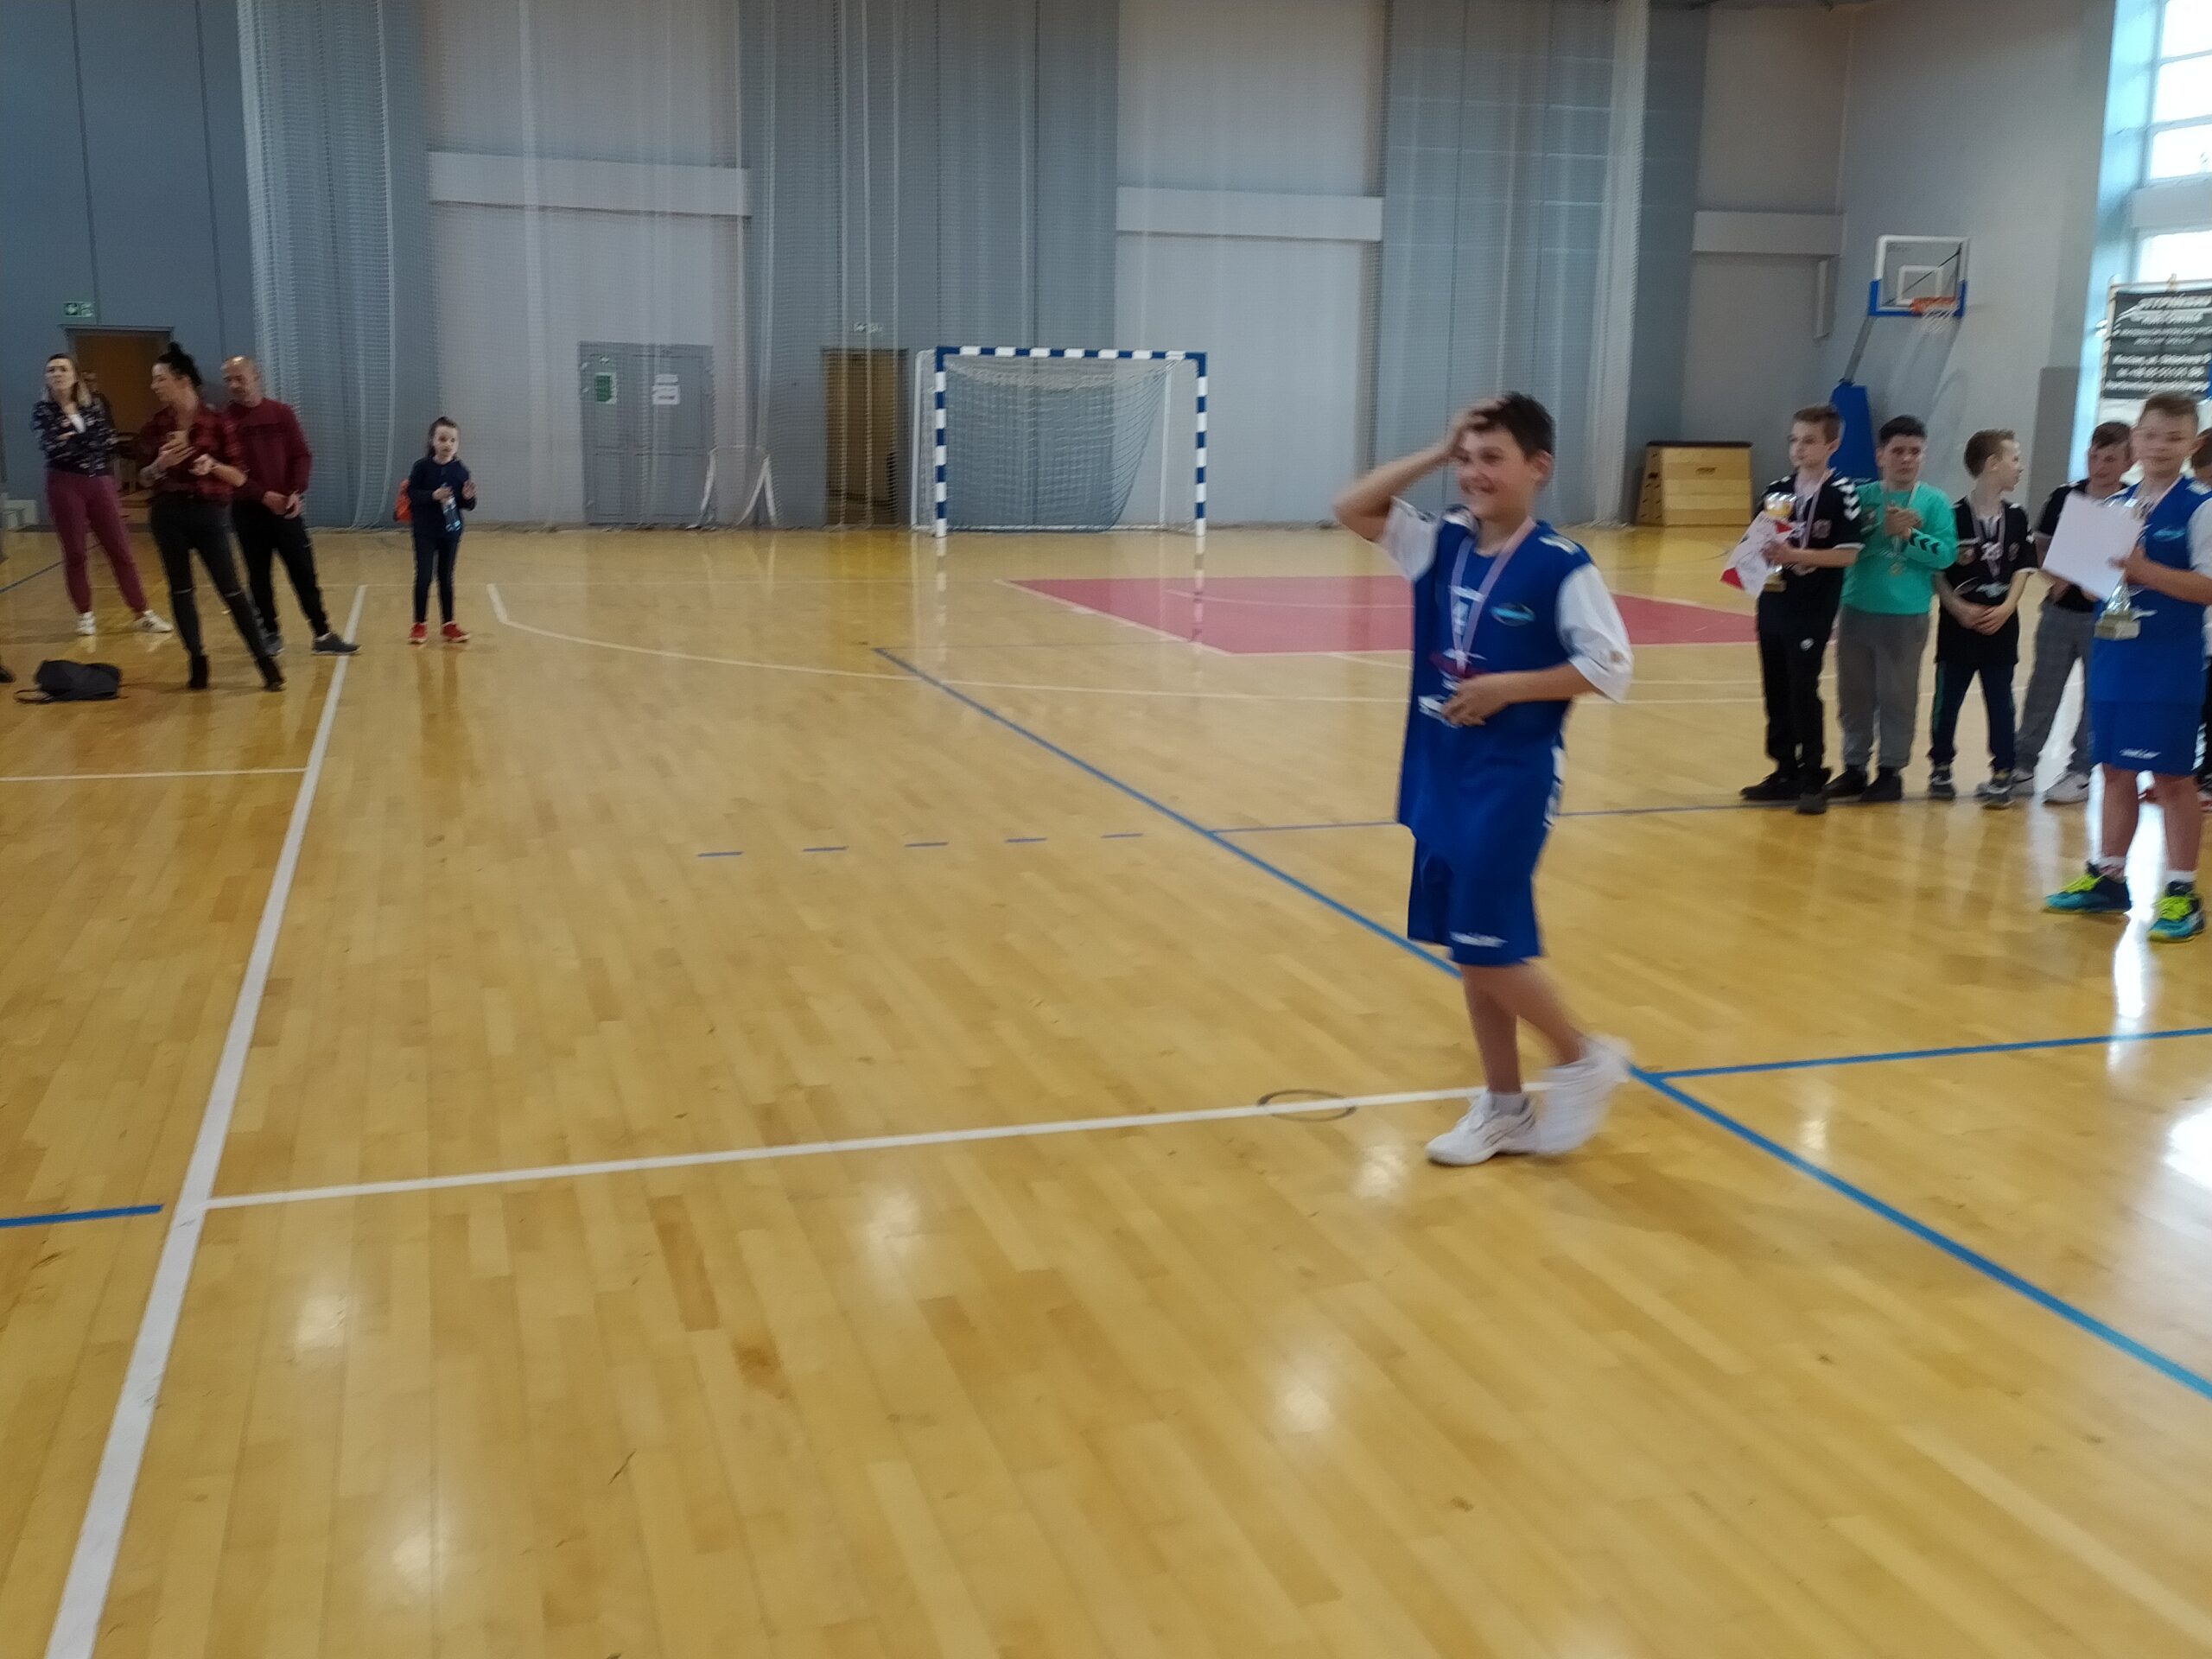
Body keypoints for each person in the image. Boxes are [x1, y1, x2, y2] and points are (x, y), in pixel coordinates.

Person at [1334, 393, 1633, 1167]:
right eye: (1465, 460)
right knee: (1470, 948)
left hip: (1511, 780)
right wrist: (1439, 448)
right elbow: (1352, 507)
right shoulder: (1440, 544)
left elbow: (1611, 667)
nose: (1473, 473)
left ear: (1539, 467)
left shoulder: (1560, 564)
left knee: (1486, 946)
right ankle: (1504, 1108)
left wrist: (1510, 688)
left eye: (1491, 458)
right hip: (1441, 772)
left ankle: (1581, 1058)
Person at [2046, 390, 2212, 943]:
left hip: (2170, 662)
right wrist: (2078, 570)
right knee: (2114, 769)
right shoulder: (2110, 508)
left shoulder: (2202, 506)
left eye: (2174, 437)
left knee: (2172, 778)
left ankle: (2182, 891)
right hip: (2115, 656)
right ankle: (2110, 877)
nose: (2160, 446)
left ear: (2192, 443)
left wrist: (2142, 570)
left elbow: (2208, 587)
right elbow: (2081, 584)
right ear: (2135, 439)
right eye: (2151, 435)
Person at [1739, 404, 1867, 815]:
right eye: (1794, 440)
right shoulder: (1777, 491)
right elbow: (1757, 540)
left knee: (1802, 688)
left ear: (1832, 445)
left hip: (1812, 607)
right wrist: (1747, 558)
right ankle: (1784, 770)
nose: (1798, 448)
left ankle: (1813, 775)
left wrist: (1797, 554)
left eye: (1809, 441)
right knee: (1775, 686)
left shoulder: (1842, 493)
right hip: (1773, 600)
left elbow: (1848, 555)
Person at [1827, 416, 1957, 804]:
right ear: (1880, 455)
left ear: (1924, 456)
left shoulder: (1934, 502)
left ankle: (1890, 771)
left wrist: (1909, 535)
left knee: (1897, 696)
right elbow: (1843, 547)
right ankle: (1854, 767)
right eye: (1898, 451)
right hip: (1857, 607)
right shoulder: (1860, 496)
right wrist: (1880, 530)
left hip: (1906, 614)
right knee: (1854, 695)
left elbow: (1946, 555)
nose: (1906, 459)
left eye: (1915, 452)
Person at [137, 346, 283, 692]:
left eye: (160, 379)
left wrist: (212, 465)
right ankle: (197, 659)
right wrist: (159, 465)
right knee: (181, 590)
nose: (155, 386)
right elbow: (142, 478)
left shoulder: (218, 422)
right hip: (168, 515)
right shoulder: (155, 425)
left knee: (231, 589)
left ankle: (264, 660)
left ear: (183, 381)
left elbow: (240, 476)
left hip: (208, 513)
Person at [2020, 422, 2132, 805]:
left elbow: (2132, 563)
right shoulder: (2064, 496)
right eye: (2094, 456)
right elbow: (2041, 546)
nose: (2100, 466)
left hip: (2105, 615)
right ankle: (2022, 764)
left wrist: (2097, 581)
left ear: (2128, 462)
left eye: (2110, 459)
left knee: (2095, 696)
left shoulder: (2132, 504)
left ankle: (2081, 770)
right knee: (2042, 688)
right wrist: (2056, 575)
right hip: (2059, 609)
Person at [219, 355, 355, 657]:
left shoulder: (282, 413)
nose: (234, 385)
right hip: (248, 512)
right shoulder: (224, 421)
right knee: (259, 577)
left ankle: (322, 634)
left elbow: (301, 454)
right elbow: (228, 471)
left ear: (256, 376)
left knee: (303, 572)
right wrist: (262, 495)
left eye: (239, 378)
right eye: (228, 380)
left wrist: (295, 491)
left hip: (286, 509)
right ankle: (270, 633)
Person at [1929, 429, 2035, 805]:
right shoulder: (1951, 516)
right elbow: (1937, 571)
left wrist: (2007, 608)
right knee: (1948, 700)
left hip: (2001, 627)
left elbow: (2023, 569)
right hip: (1958, 626)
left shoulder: (2018, 517)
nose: (2020, 467)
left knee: (2001, 701)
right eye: (2014, 459)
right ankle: (1941, 767)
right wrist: (1956, 607)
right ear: (1992, 464)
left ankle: (2002, 772)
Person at [30, 353, 170, 638]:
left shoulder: (93, 406)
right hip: (64, 484)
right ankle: (85, 614)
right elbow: (53, 448)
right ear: (46, 378)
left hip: (101, 482)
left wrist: (71, 438)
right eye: (51, 370)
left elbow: (107, 442)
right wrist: (84, 440)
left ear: (75, 375)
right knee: (75, 552)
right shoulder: (42, 411)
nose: (57, 374)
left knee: (120, 550)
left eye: (62, 369)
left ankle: (142, 612)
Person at [405, 417, 475, 645]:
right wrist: (432, 495)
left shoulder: (461, 471)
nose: (448, 444)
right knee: (424, 576)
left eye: (453, 440)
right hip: (425, 532)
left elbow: (468, 504)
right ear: (432, 441)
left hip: (450, 533)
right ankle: (419, 624)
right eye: (443, 439)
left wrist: (468, 498)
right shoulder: (421, 467)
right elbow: (412, 494)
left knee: (446, 577)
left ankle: (449, 624)